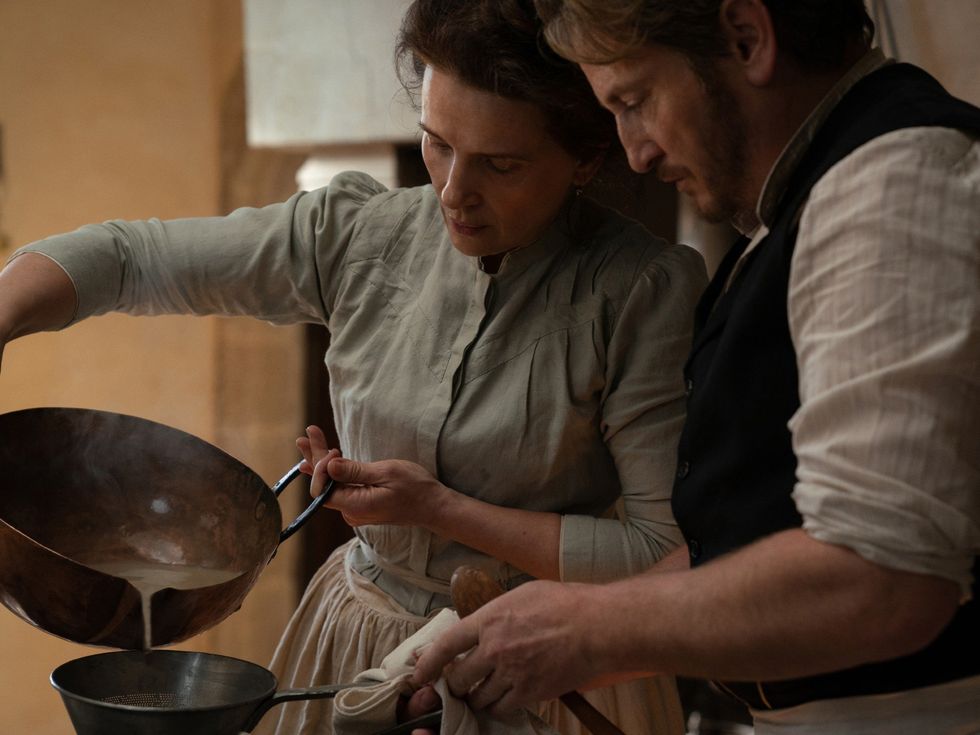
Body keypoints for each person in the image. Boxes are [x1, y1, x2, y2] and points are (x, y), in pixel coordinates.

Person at [0, 1, 708, 733]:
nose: (454, 191)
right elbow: (129, 259)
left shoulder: (640, 292)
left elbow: (662, 556)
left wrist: (440, 509)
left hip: (545, 665)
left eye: (501, 164)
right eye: (437, 143)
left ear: (585, 158)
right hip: (354, 643)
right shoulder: (358, 235)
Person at [411, 0, 980, 733]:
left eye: (634, 100)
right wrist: (542, 640)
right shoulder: (810, 197)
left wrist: (587, 630)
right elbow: (757, 536)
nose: (636, 153)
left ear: (747, 37)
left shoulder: (894, 185)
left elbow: (881, 577)